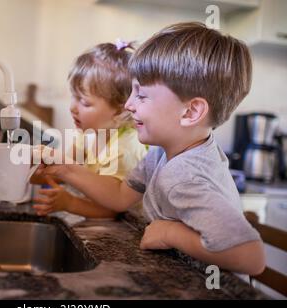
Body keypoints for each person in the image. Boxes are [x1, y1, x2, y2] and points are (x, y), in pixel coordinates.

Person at [36, 22, 265, 275]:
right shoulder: (163, 152)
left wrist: (171, 233)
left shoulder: (183, 176)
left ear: (190, 112)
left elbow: (250, 256)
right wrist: (65, 169)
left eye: (141, 95)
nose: (129, 104)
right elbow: (121, 195)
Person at [31, 42, 147, 219]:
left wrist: (69, 203)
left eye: (84, 102)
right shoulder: (88, 133)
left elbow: (112, 209)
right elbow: (68, 170)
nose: (72, 107)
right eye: (73, 96)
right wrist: (36, 172)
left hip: (128, 227)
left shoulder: (125, 148)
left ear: (120, 109)